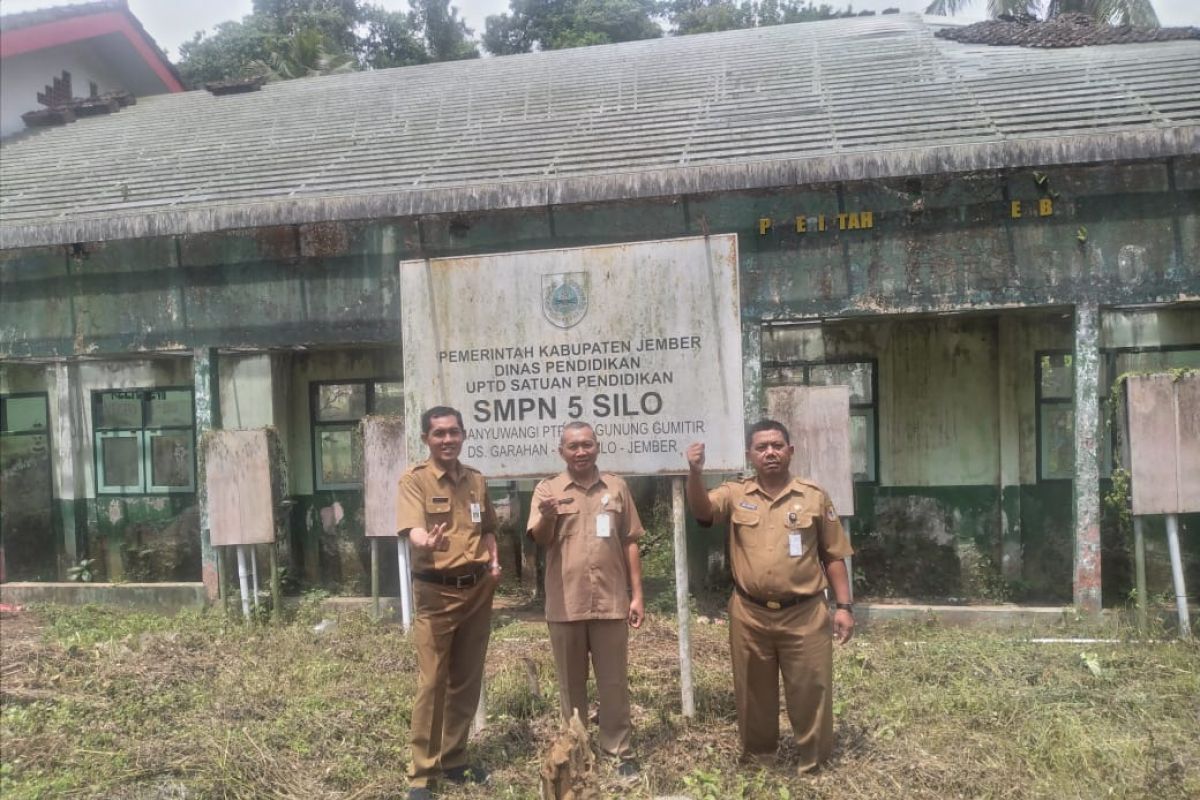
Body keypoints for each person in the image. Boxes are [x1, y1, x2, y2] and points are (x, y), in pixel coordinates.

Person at [685, 419, 854, 773]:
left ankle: (813, 762)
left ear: (790, 451)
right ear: (750, 455)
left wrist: (844, 607)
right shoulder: (735, 493)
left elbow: (833, 554)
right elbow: (702, 511)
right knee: (753, 692)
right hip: (750, 613)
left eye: (777, 445)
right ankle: (760, 760)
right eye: (761, 447)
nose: (770, 452)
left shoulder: (814, 495)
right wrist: (695, 473)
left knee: (811, 689)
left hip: (805, 613)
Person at [527, 421, 645, 779]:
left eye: (586, 445)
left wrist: (637, 595)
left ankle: (618, 750)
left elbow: (630, 541)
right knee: (570, 683)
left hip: (611, 602)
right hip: (566, 604)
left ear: (597, 446)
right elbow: (541, 539)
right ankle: (575, 750)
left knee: (613, 682)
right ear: (561, 451)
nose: (580, 452)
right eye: (572, 446)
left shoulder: (617, 487)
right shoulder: (547, 490)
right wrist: (548, 517)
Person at [396, 406, 501, 800]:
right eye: (439, 433)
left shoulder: (475, 480)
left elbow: (487, 528)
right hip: (436, 593)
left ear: (463, 435)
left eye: (454, 432)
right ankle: (422, 773)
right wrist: (429, 541)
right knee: (432, 681)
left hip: (476, 590)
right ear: (426, 438)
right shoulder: (415, 481)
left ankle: (454, 759)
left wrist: (494, 560)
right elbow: (413, 531)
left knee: (467, 679)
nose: (447, 440)